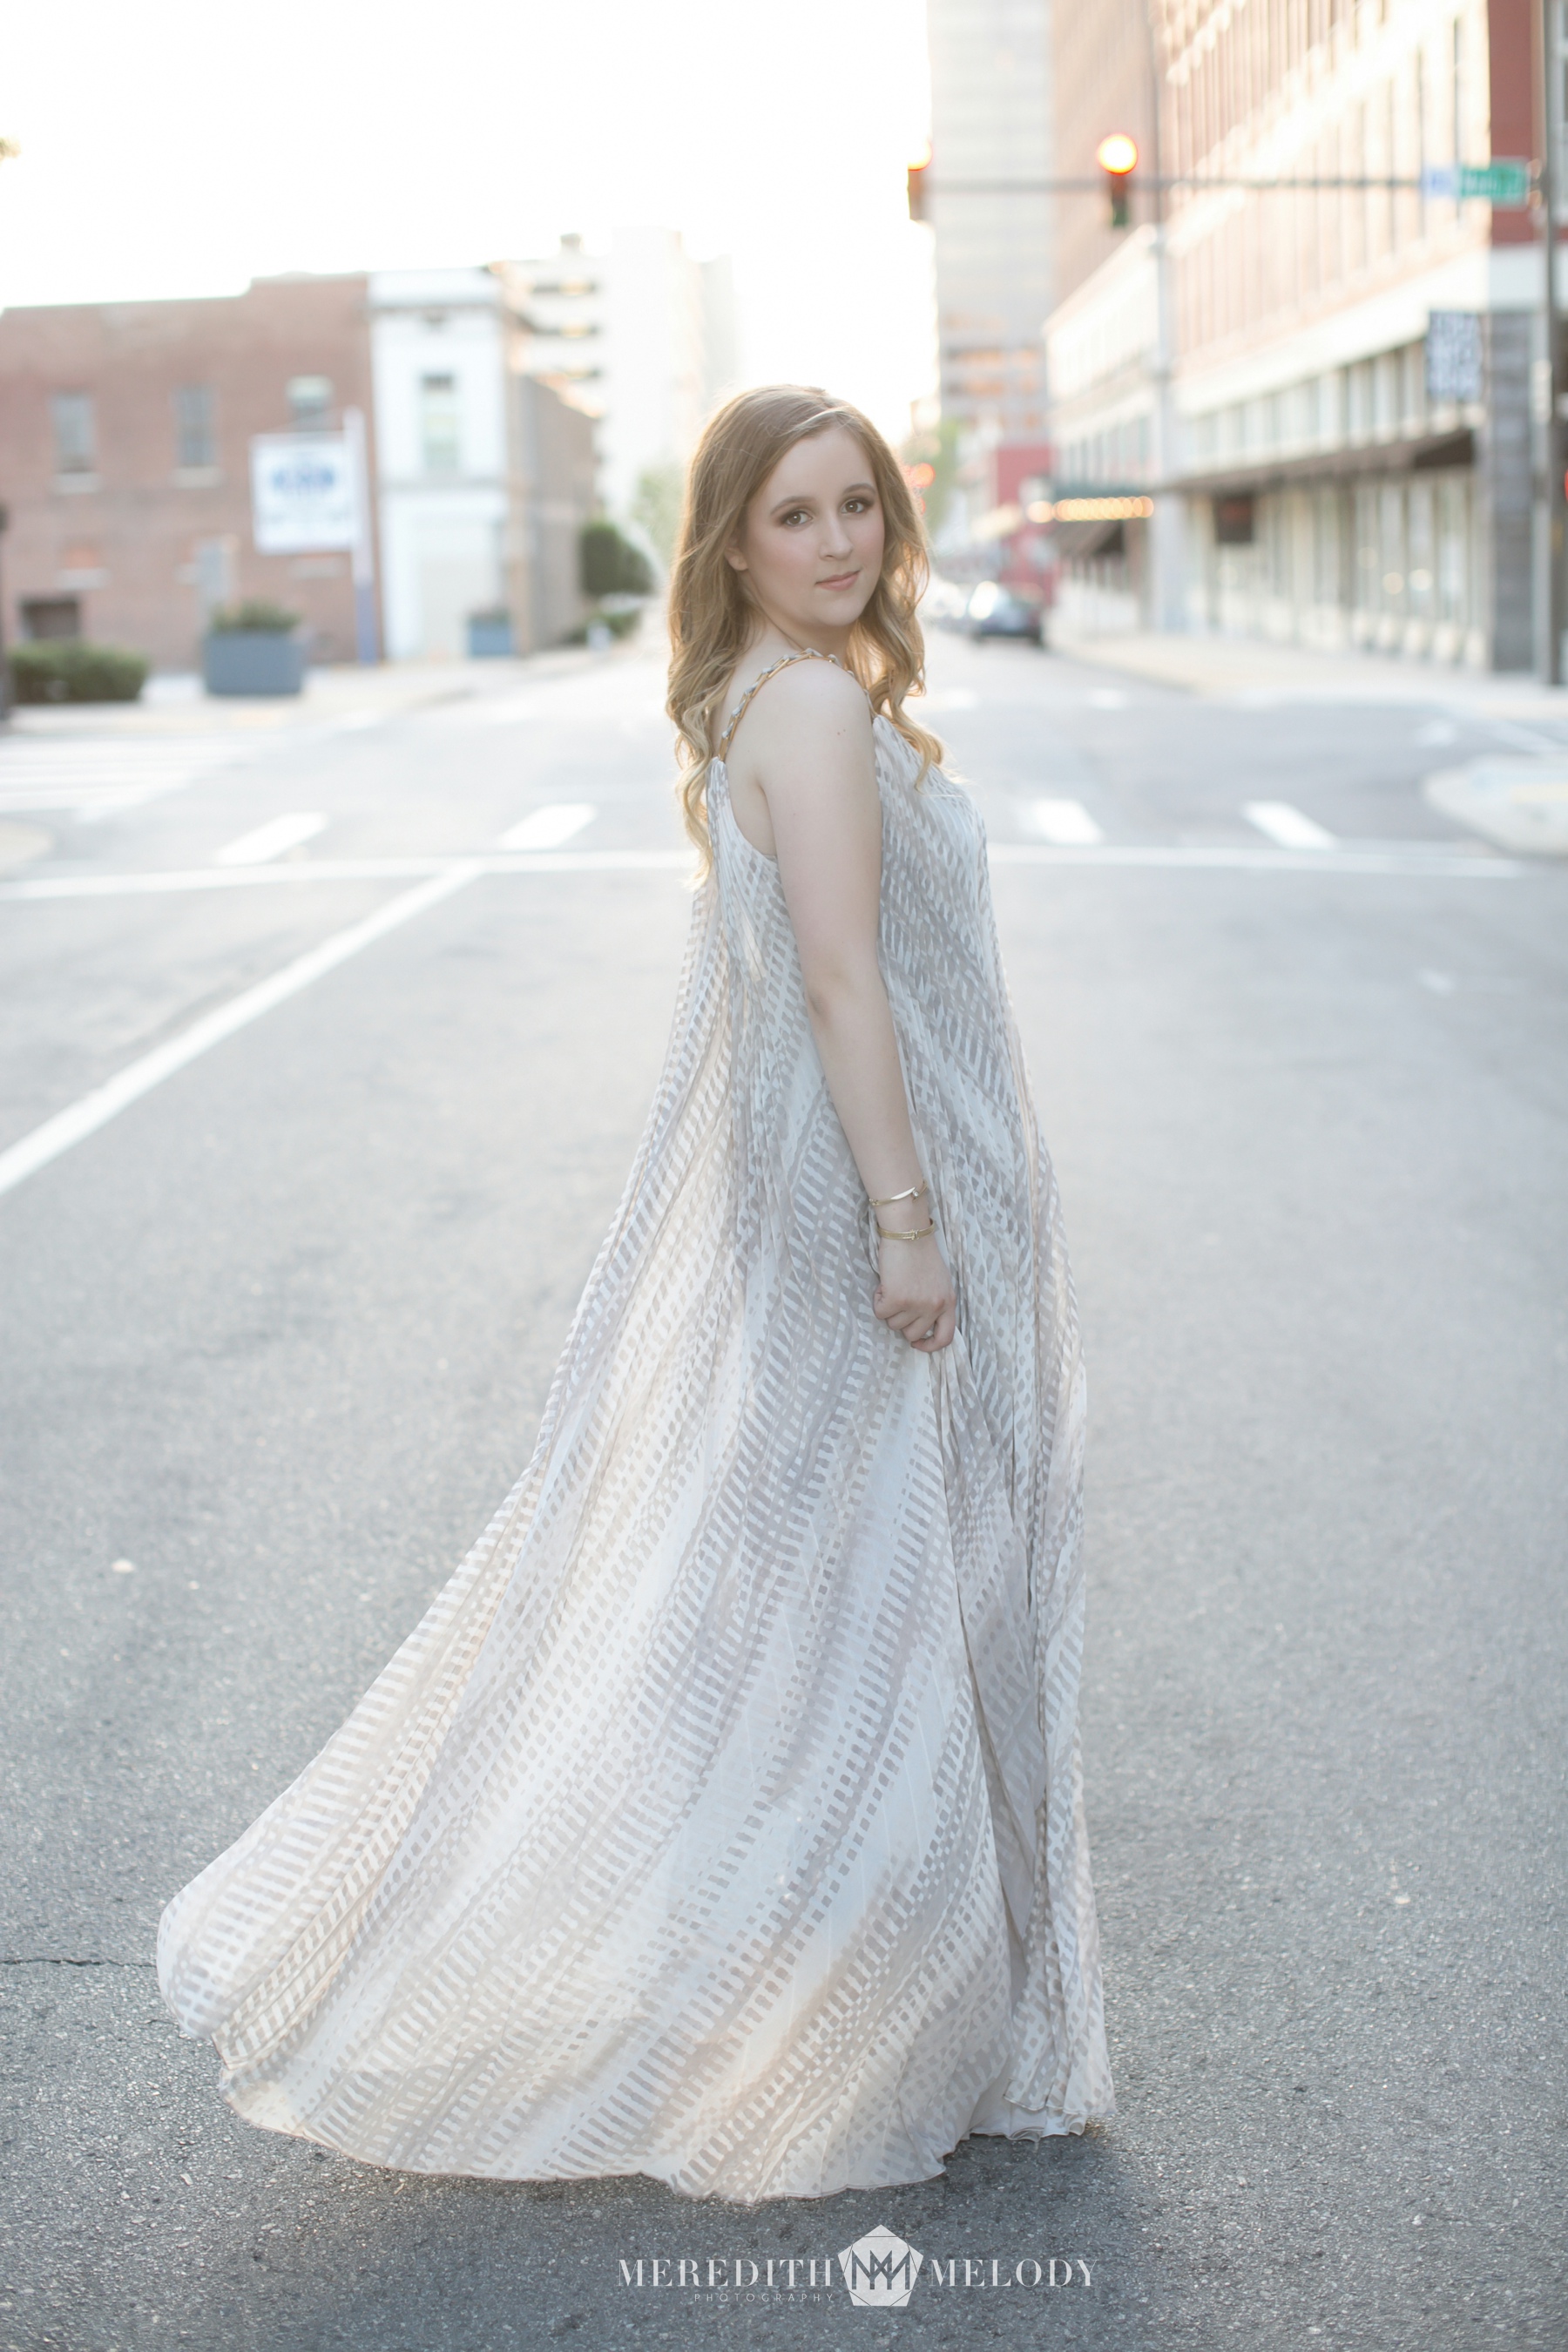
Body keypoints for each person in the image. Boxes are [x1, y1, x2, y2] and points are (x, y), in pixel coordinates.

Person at [158, 385, 1113, 2201]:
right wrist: (908, 1224)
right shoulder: (809, 705)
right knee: (896, 1595)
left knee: (827, 1591)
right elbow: (839, 981)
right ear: (732, 542)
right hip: (873, 1207)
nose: (838, 542)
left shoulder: (764, 691)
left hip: (823, 1199)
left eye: (858, 505)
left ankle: (821, 1975)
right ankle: (850, 2006)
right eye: (795, 515)